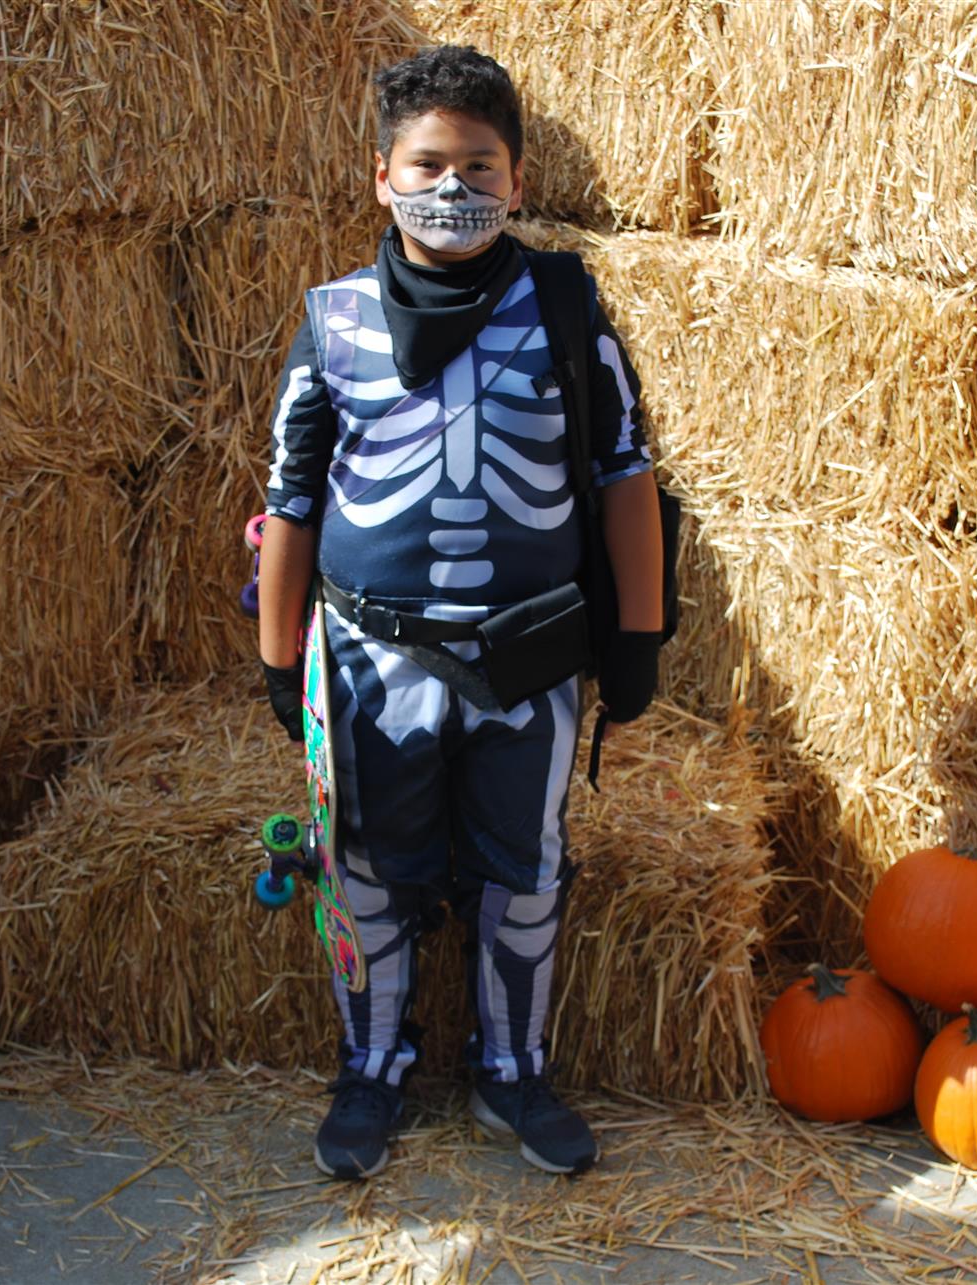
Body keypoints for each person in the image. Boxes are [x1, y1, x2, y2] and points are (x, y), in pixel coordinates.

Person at [256, 44, 663, 1181]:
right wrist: (279, 660)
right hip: (373, 658)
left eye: (480, 165)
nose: (455, 187)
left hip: (530, 654)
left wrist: (637, 637)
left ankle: (512, 1067)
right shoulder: (333, 324)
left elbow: (626, 474)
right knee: (368, 868)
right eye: (428, 163)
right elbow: (289, 496)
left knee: (526, 868)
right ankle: (374, 1061)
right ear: (382, 176)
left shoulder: (570, 310)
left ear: (518, 180)